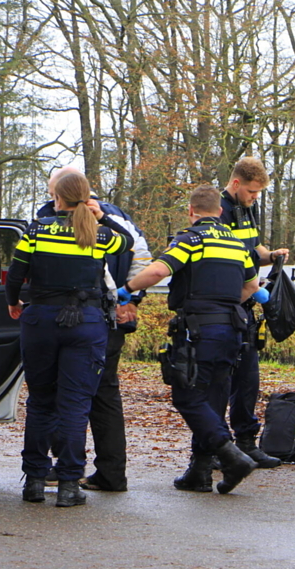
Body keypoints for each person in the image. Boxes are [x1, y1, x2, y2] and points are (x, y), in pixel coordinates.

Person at [117, 185, 259, 494]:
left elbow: (158, 271)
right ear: (220, 212)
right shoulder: (237, 243)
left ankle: (230, 455)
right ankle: (200, 471)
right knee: (214, 399)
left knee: (187, 396)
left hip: (199, 330)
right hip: (233, 330)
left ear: (191, 212)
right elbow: (252, 285)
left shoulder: (191, 239)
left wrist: (126, 290)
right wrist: (224, 304)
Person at [5, 171, 132, 507]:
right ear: (86, 199)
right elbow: (128, 241)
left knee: (41, 402)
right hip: (86, 322)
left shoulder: (36, 229)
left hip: (41, 320)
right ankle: (69, 485)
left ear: (57, 198)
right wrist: (100, 215)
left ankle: (34, 480)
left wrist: (13, 302)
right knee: (76, 406)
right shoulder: (100, 234)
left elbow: (16, 273)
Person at [35, 167, 153, 492]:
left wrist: (130, 298)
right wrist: (130, 301)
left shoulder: (53, 219)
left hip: (74, 318)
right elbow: (141, 255)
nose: (52, 199)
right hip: (104, 318)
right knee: (103, 396)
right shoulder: (115, 218)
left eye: (53, 192)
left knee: (65, 392)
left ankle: (69, 467)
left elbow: (140, 254)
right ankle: (108, 472)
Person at [221, 158, 290, 468]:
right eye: (252, 192)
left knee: (248, 380)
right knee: (220, 382)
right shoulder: (219, 210)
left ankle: (247, 442)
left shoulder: (246, 209)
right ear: (236, 184)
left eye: (259, 193)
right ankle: (218, 448)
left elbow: (255, 247)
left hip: (247, 304)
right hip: (226, 304)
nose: (255, 198)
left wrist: (271, 255)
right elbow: (228, 256)